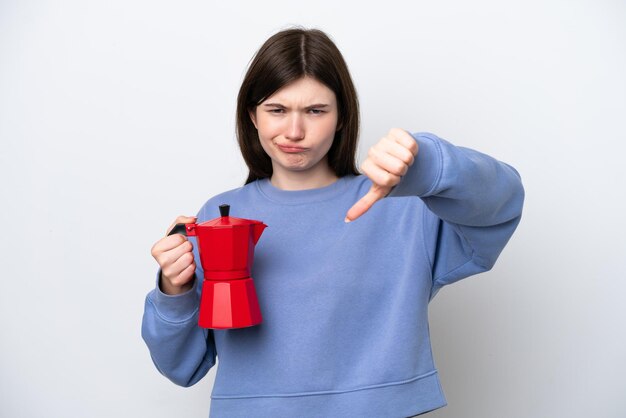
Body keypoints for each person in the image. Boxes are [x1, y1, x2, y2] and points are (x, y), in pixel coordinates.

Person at [142, 27, 524, 418]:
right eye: (277, 109)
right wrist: (175, 290)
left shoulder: (405, 207)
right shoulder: (216, 215)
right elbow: (181, 366)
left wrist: (425, 163)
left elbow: (504, 203)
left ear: (342, 117)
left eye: (315, 111)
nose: (294, 131)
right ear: (252, 116)